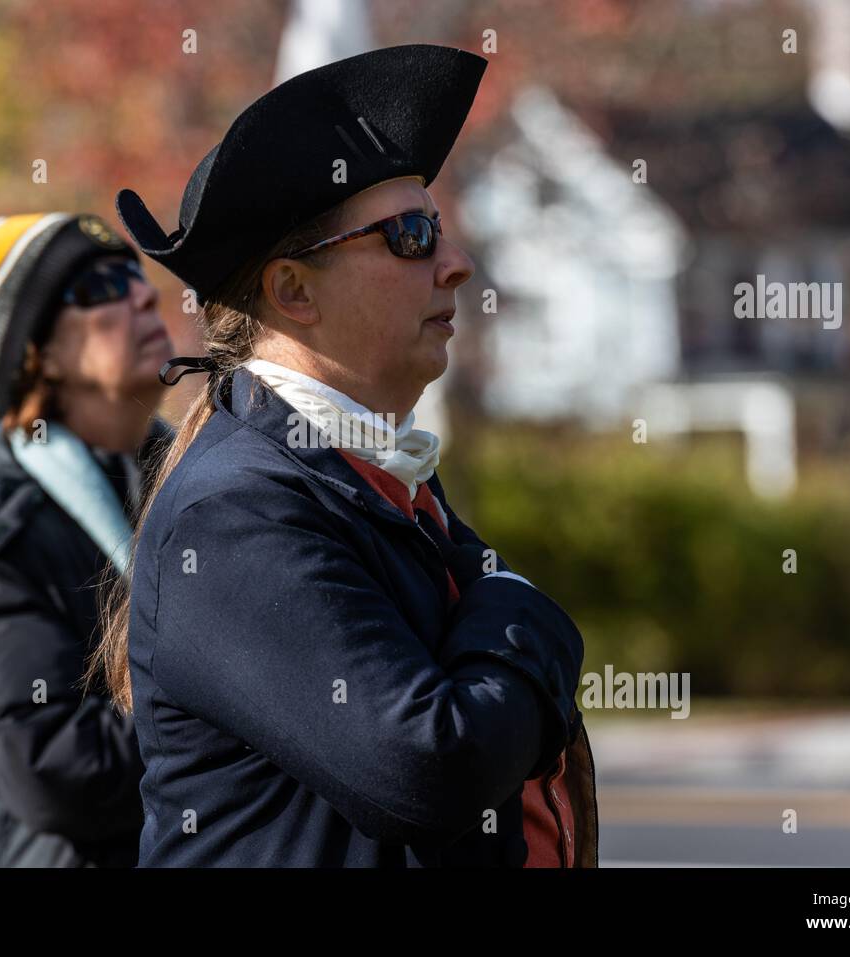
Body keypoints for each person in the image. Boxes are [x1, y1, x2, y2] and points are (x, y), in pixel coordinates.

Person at [98, 44, 598, 867]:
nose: (456, 264)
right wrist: (531, 616)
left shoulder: (370, 473)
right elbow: (428, 767)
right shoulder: (235, 512)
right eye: (410, 235)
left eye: (437, 228)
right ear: (294, 291)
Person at [0, 205, 174, 866]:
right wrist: (231, 717)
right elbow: (54, 768)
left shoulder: (189, 481)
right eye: (100, 289)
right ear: (37, 353)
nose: (143, 293)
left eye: (134, 276)